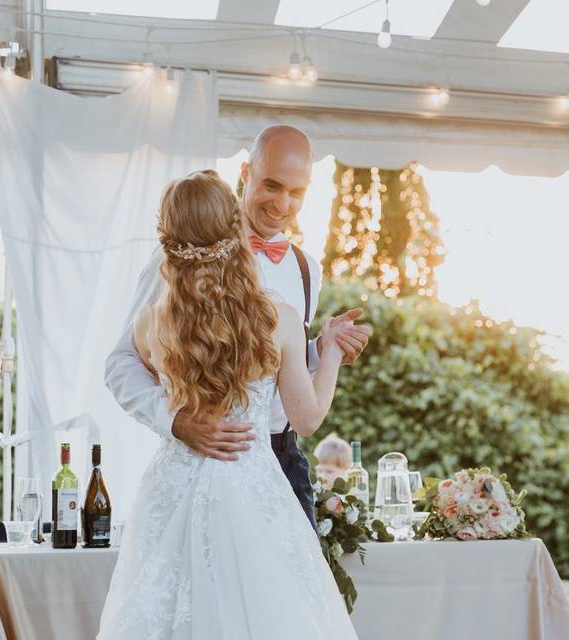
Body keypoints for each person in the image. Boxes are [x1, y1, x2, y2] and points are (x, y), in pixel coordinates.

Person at [98, 170, 358, 639]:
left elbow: (161, 363)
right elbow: (307, 417)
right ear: (235, 226)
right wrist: (332, 353)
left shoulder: (153, 323)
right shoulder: (277, 317)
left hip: (172, 485)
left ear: (168, 238)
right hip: (252, 481)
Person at [105, 125, 371, 527]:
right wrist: (174, 421)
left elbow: (277, 361)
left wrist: (322, 347)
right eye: (272, 185)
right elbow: (121, 361)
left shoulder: (306, 269)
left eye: (296, 192)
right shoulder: (178, 261)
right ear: (245, 172)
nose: (282, 204)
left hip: (282, 461)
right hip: (204, 458)